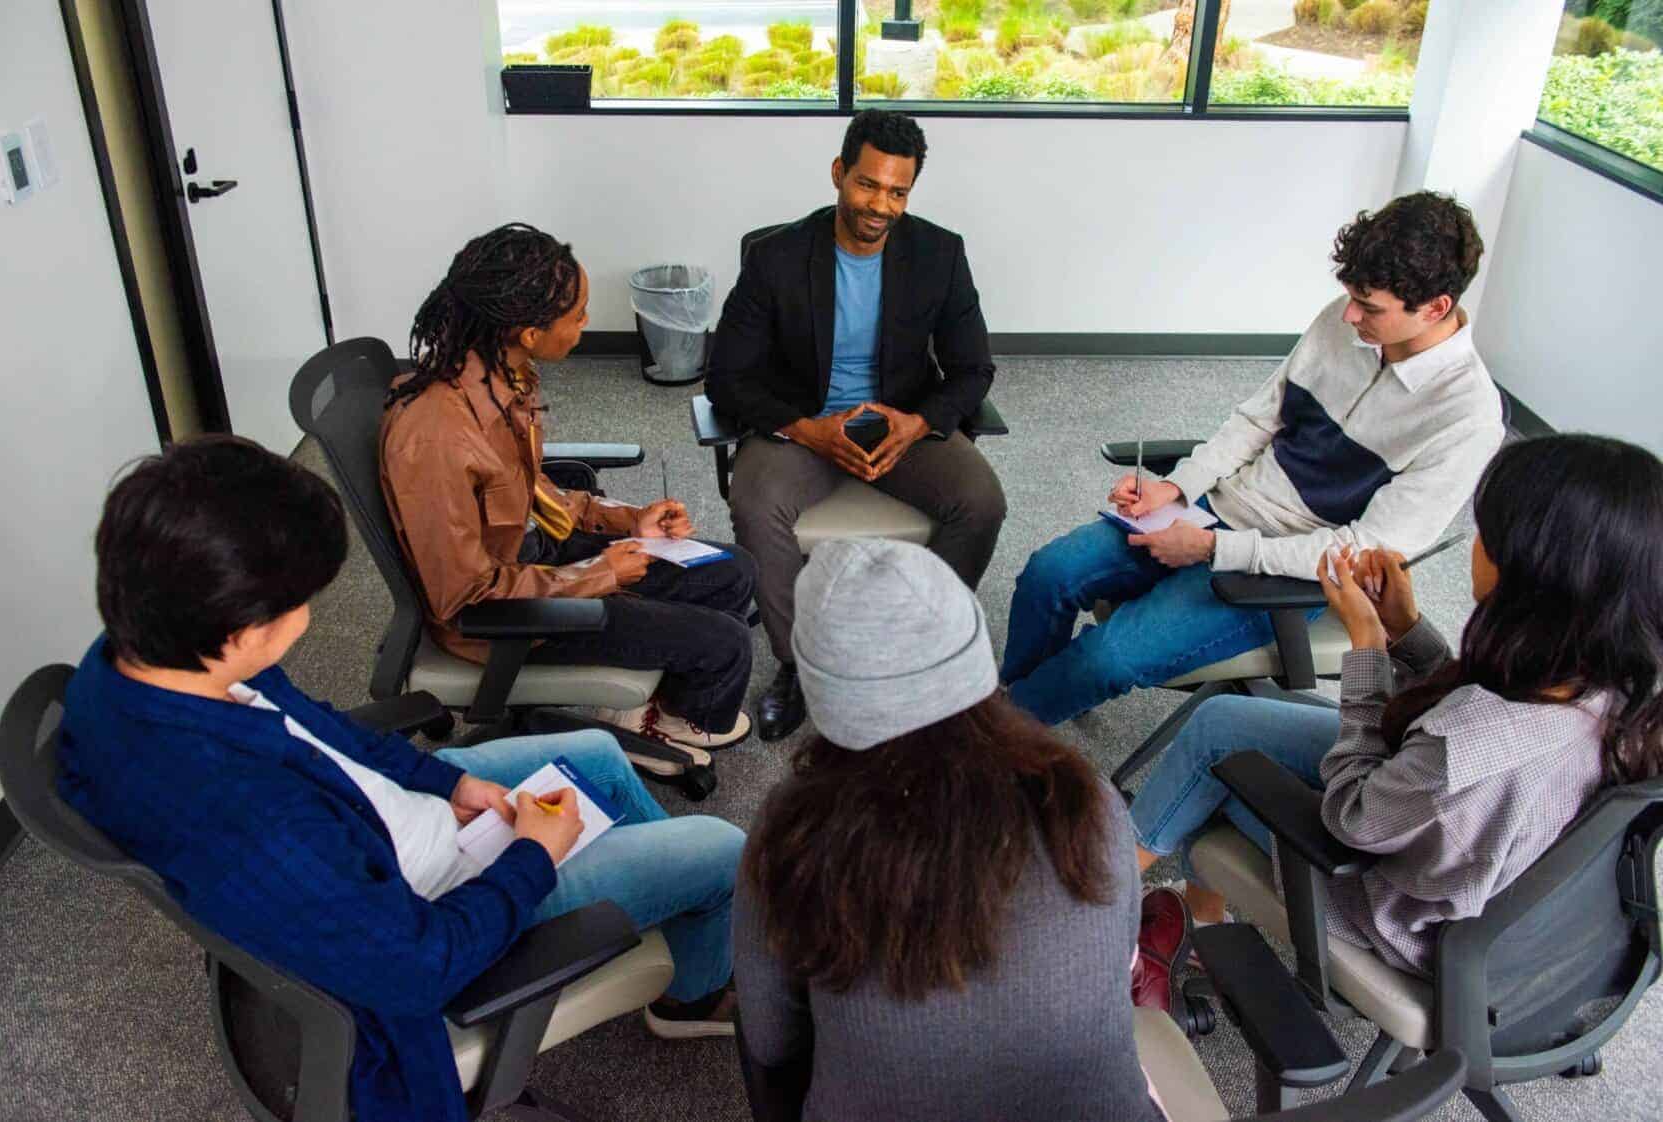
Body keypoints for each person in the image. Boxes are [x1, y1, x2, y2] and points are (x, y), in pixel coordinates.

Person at [58, 437, 748, 1122]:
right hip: (435, 902)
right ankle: (688, 979)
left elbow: (322, 732)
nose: (308, 615)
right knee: (721, 848)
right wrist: (533, 857)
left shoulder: (149, 649)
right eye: (301, 601)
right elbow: (417, 966)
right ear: (240, 630)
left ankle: (671, 928)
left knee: (596, 754)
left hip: (376, 818)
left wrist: (445, 785)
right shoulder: (245, 814)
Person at [1125, 434, 1663, 1009]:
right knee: (1241, 722)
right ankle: (1191, 916)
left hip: (1393, 916)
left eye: (1487, 534)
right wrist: (1406, 630)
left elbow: (1353, 816)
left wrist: (1367, 649)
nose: (1474, 544)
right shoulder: (1613, 684)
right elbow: (1465, 722)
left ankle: (1110, 903)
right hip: (1508, 911)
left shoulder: (1466, 749)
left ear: (1530, 574)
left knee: (1222, 758)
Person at [1003, 191, 1506, 727]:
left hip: (1289, 571)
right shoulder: (1341, 320)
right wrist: (1179, 488)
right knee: (1048, 574)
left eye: (1371, 307)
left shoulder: (1467, 418)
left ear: (1436, 307)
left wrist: (1215, 548)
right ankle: (1026, 713)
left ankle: (996, 735)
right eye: (1350, 297)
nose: (1350, 314)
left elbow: (1357, 552)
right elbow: (1258, 418)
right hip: (1216, 510)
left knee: (1108, 657)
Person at [735, 539, 1161, 1121]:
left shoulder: (792, 832)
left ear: (821, 687)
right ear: (974, 650)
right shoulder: (1086, 798)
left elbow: (770, 1039)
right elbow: (1110, 968)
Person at [381, 222, 756, 752]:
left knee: (732, 571)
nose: (586, 324)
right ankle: (663, 725)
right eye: (578, 315)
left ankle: (656, 696)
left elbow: (530, 489)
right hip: (506, 615)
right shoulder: (436, 436)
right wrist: (600, 573)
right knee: (726, 643)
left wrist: (628, 519)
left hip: (535, 556)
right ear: (530, 333)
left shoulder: (502, 372)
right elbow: (466, 596)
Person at [707, 108, 1007, 743]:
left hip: (897, 421)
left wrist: (918, 421)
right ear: (840, 174)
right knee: (755, 502)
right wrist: (806, 429)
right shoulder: (775, 258)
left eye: (898, 191)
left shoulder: (940, 253)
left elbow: (973, 368)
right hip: (806, 423)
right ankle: (798, 665)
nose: (881, 205)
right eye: (868, 185)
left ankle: (917, 647)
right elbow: (726, 378)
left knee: (981, 500)